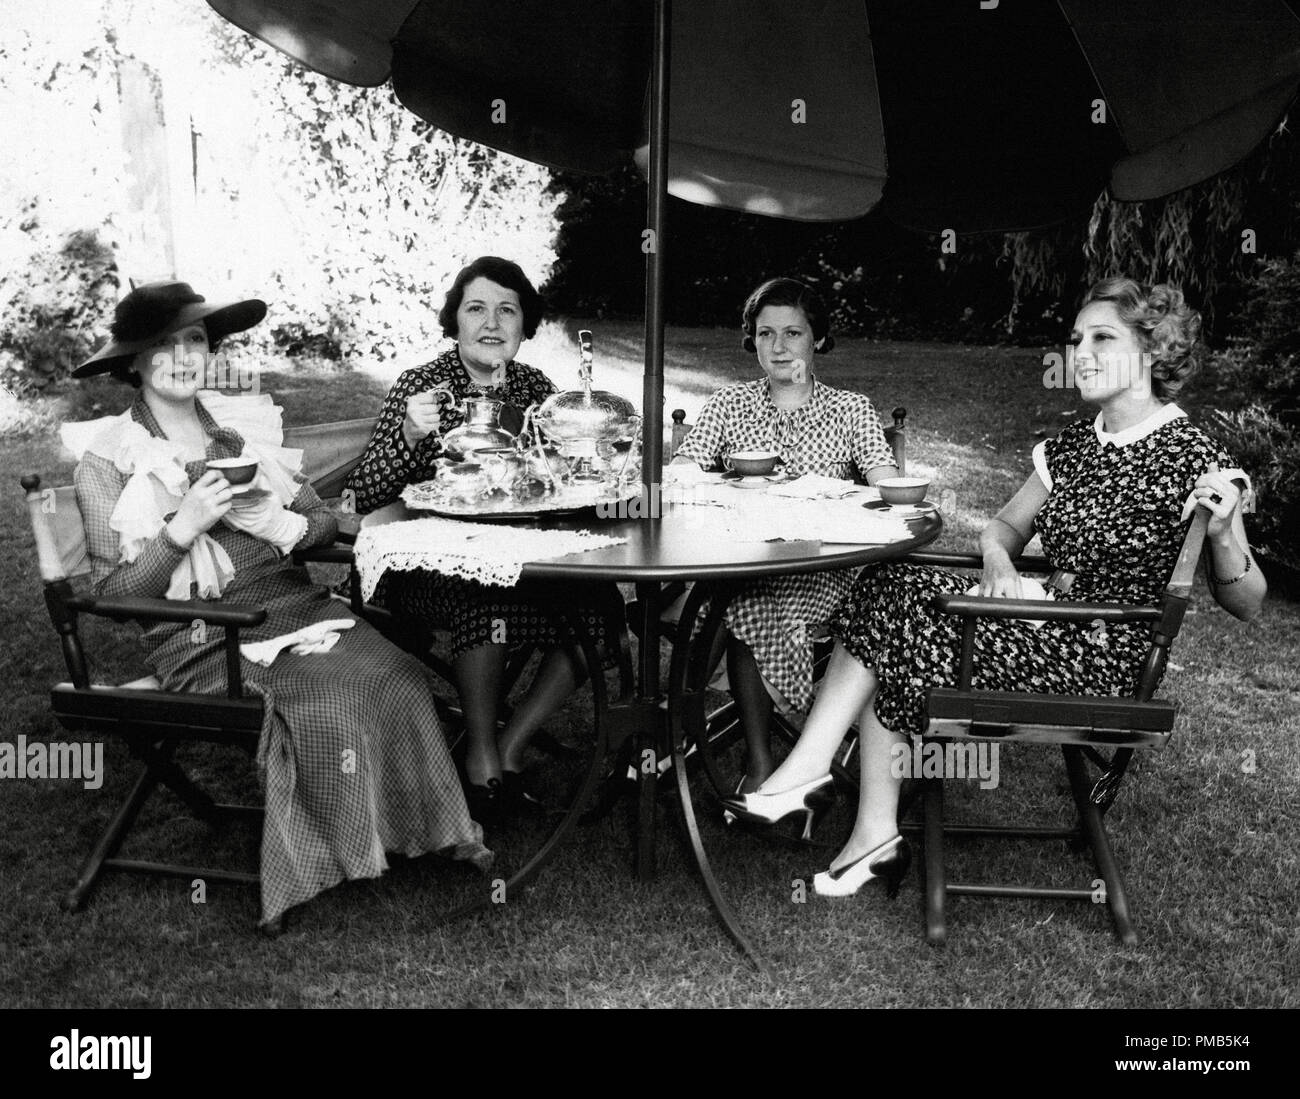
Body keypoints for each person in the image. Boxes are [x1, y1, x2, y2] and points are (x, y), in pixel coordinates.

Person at [722, 277, 1266, 897]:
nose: (1078, 353)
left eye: (1102, 338)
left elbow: (1248, 603)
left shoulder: (1193, 457)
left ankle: (823, 793)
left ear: (1154, 351)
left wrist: (1224, 535)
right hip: (1039, 626)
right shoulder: (1073, 449)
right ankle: (853, 820)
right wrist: (999, 564)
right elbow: (1005, 526)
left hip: (1094, 657)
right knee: (891, 583)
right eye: (1075, 339)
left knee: (895, 615)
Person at [64, 280, 490, 930]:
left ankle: (408, 828)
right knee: (322, 702)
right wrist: (182, 529)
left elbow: (321, 523)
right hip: (208, 634)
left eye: (195, 340)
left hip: (297, 604)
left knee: (400, 676)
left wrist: (282, 525)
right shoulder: (108, 464)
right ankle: (331, 853)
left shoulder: (239, 435)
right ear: (134, 361)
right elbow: (117, 598)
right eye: (163, 345)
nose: (183, 355)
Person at [346, 256, 610, 824]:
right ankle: (482, 764)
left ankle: (511, 743)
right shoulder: (424, 388)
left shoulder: (538, 390)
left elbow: (564, 480)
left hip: (522, 559)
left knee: (600, 607)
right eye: (476, 308)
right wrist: (411, 435)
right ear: (455, 321)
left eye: (507, 310)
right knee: (484, 606)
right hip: (423, 566)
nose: (491, 322)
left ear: (524, 325)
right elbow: (365, 493)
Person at [672, 277, 898, 793]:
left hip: (822, 569)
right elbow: (684, 470)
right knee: (741, 592)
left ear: (816, 339)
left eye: (793, 333)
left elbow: (883, 477)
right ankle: (730, 748)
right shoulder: (730, 404)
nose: (778, 346)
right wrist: (717, 480)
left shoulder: (849, 409)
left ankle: (712, 746)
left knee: (738, 603)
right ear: (752, 338)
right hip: (736, 559)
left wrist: (887, 488)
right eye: (766, 333)